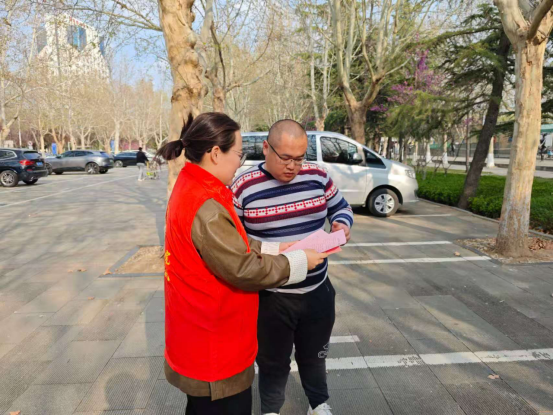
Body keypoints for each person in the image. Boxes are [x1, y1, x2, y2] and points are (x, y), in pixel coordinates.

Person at [157, 112, 328, 415]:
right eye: (238, 154)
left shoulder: (193, 185)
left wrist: (275, 248)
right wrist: (298, 261)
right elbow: (243, 269)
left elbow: (230, 244)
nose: (240, 163)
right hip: (215, 345)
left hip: (197, 335)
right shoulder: (206, 204)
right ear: (215, 153)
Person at [232, 120, 354, 415]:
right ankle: (271, 409)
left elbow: (341, 206)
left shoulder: (318, 176)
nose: (293, 167)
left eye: (299, 158)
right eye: (285, 158)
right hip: (272, 296)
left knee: (315, 356)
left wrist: (342, 223)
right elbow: (235, 242)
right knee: (272, 361)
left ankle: (318, 403)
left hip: (317, 291)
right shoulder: (243, 186)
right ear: (266, 148)